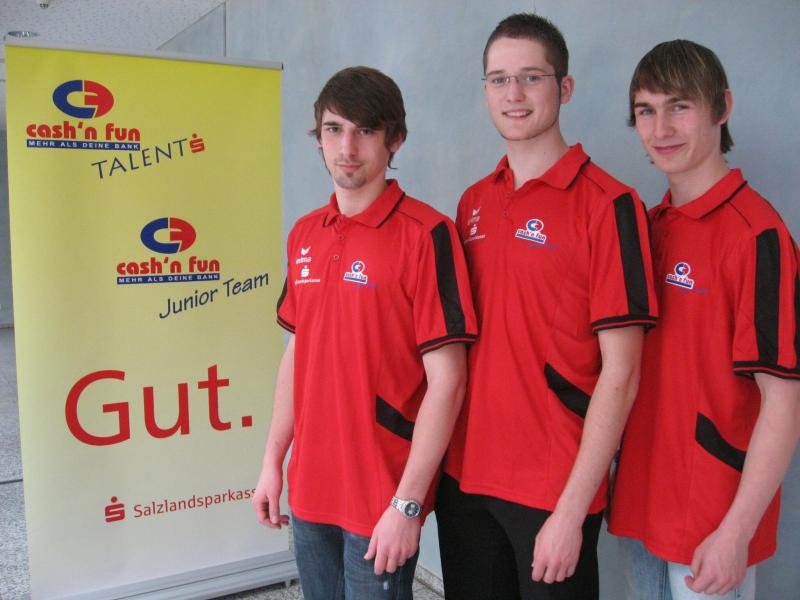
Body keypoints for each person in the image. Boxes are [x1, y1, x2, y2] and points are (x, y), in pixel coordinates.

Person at [436, 13, 657, 600]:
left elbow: (623, 371)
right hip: (463, 480)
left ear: (565, 87)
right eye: (499, 79)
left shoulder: (610, 206)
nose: (513, 93)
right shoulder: (473, 202)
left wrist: (572, 509)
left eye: (531, 77)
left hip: (552, 489)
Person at [251, 66, 477, 600]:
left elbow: (448, 381)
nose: (347, 147)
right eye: (334, 129)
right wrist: (272, 462)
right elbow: (298, 353)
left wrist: (408, 505)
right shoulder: (305, 233)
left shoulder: (427, 234)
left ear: (395, 139)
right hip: (311, 489)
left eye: (365, 130)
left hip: (381, 496)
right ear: (319, 136)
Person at [609, 39, 800, 600]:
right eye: (646, 110)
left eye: (680, 106)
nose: (661, 128)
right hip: (639, 501)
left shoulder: (758, 237)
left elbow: (784, 402)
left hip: (709, 520)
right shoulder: (648, 228)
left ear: (722, 107)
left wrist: (735, 533)